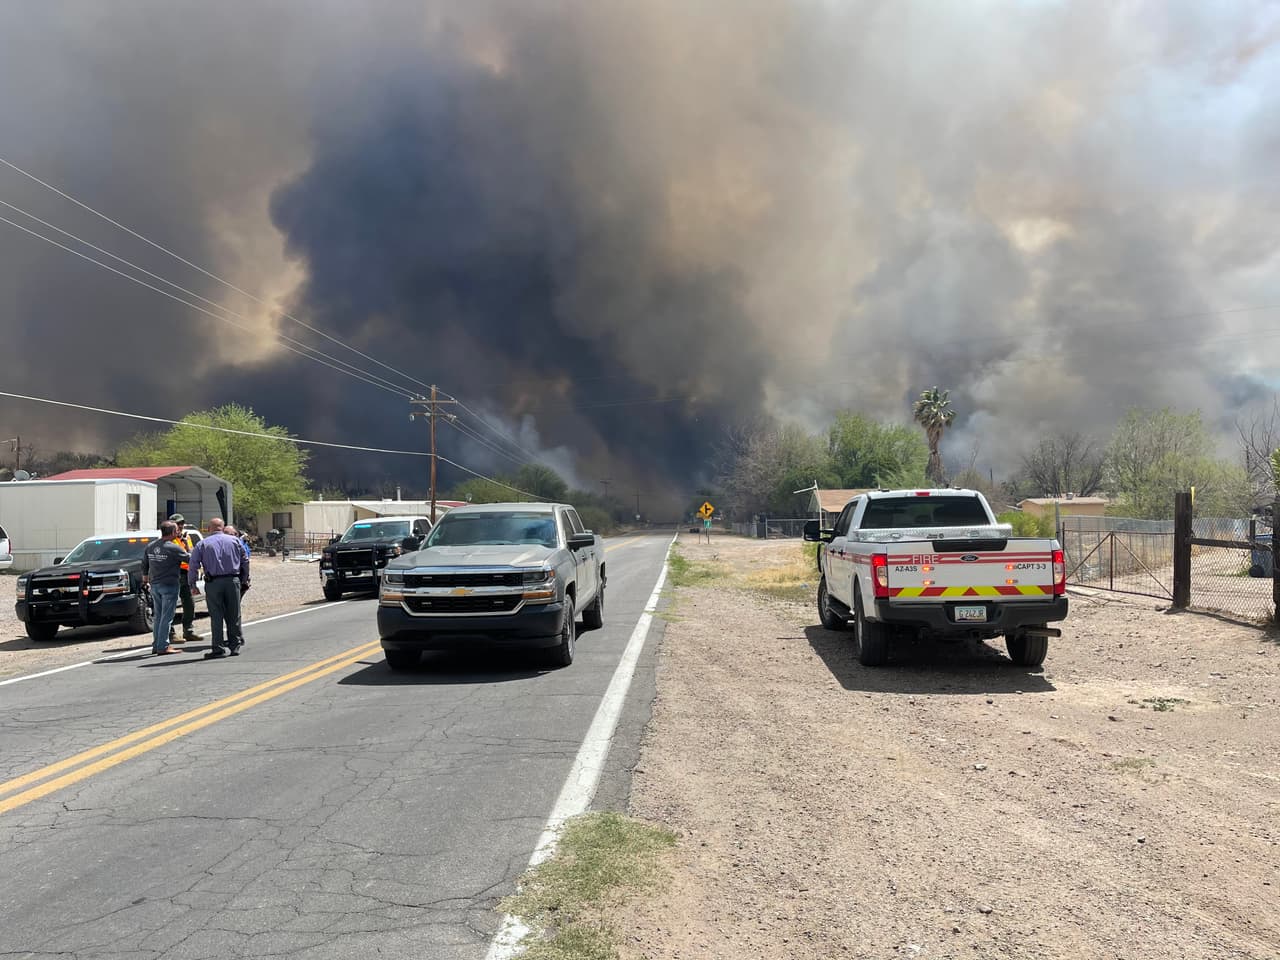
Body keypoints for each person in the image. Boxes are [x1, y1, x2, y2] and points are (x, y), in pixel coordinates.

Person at [188, 517, 250, 659]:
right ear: (222, 528)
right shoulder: (235, 541)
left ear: (209, 529)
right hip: (232, 580)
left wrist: (192, 584)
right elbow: (245, 560)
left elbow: (193, 565)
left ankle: (218, 648)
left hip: (213, 582)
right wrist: (243, 579)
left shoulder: (203, 544)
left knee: (216, 616)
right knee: (234, 614)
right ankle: (234, 646)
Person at [141, 520, 189, 656]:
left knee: (158, 616)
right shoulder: (173, 547)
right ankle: (163, 646)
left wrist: (145, 579)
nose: (178, 532)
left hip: (155, 585)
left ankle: (156, 644)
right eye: (177, 530)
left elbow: (144, 564)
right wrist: (185, 545)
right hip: (169, 585)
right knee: (167, 617)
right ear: (173, 532)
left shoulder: (151, 546)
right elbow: (189, 559)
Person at [167, 514, 202, 644]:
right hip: (173, 573)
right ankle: (170, 634)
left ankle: (188, 630)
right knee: (170, 604)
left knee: (189, 603)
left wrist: (186, 543)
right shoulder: (168, 539)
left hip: (186, 573)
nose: (180, 526)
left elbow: (191, 554)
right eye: (177, 524)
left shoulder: (185, 537)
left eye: (182, 523)